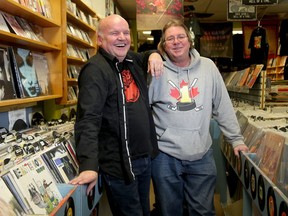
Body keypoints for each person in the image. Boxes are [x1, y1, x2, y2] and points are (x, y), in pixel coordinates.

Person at [148, 19, 249, 216]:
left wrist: (236, 139)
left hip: (201, 153)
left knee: (203, 211)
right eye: (170, 39)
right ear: (163, 45)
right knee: (169, 211)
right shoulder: (155, 70)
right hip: (165, 155)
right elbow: (142, 110)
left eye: (180, 36)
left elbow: (222, 105)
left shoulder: (208, 67)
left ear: (189, 40)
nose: (176, 42)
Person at [69, 14, 163, 216]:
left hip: (143, 158)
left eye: (126, 32)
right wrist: (88, 165)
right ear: (100, 39)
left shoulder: (131, 59)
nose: (122, 37)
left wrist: (155, 54)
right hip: (119, 165)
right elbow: (87, 119)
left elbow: (148, 54)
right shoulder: (95, 69)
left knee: (144, 211)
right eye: (114, 33)